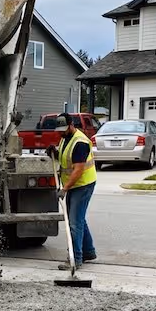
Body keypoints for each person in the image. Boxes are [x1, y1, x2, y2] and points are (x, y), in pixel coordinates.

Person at [53, 114, 97, 269]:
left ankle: (75, 259)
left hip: (82, 185)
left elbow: (78, 170)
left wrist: (64, 189)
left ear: (71, 125)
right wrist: (55, 152)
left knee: (74, 223)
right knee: (79, 219)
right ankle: (88, 252)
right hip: (73, 185)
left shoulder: (80, 142)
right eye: (59, 130)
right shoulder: (65, 138)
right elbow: (67, 158)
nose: (61, 132)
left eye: (64, 129)